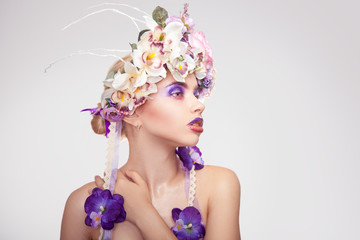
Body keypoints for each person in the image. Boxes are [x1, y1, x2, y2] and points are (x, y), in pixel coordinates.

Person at [60, 4, 240, 240]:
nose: (199, 105)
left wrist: (142, 211)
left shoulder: (219, 187)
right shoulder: (81, 205)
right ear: (131, 111)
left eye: (195, 93)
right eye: (177, 93)